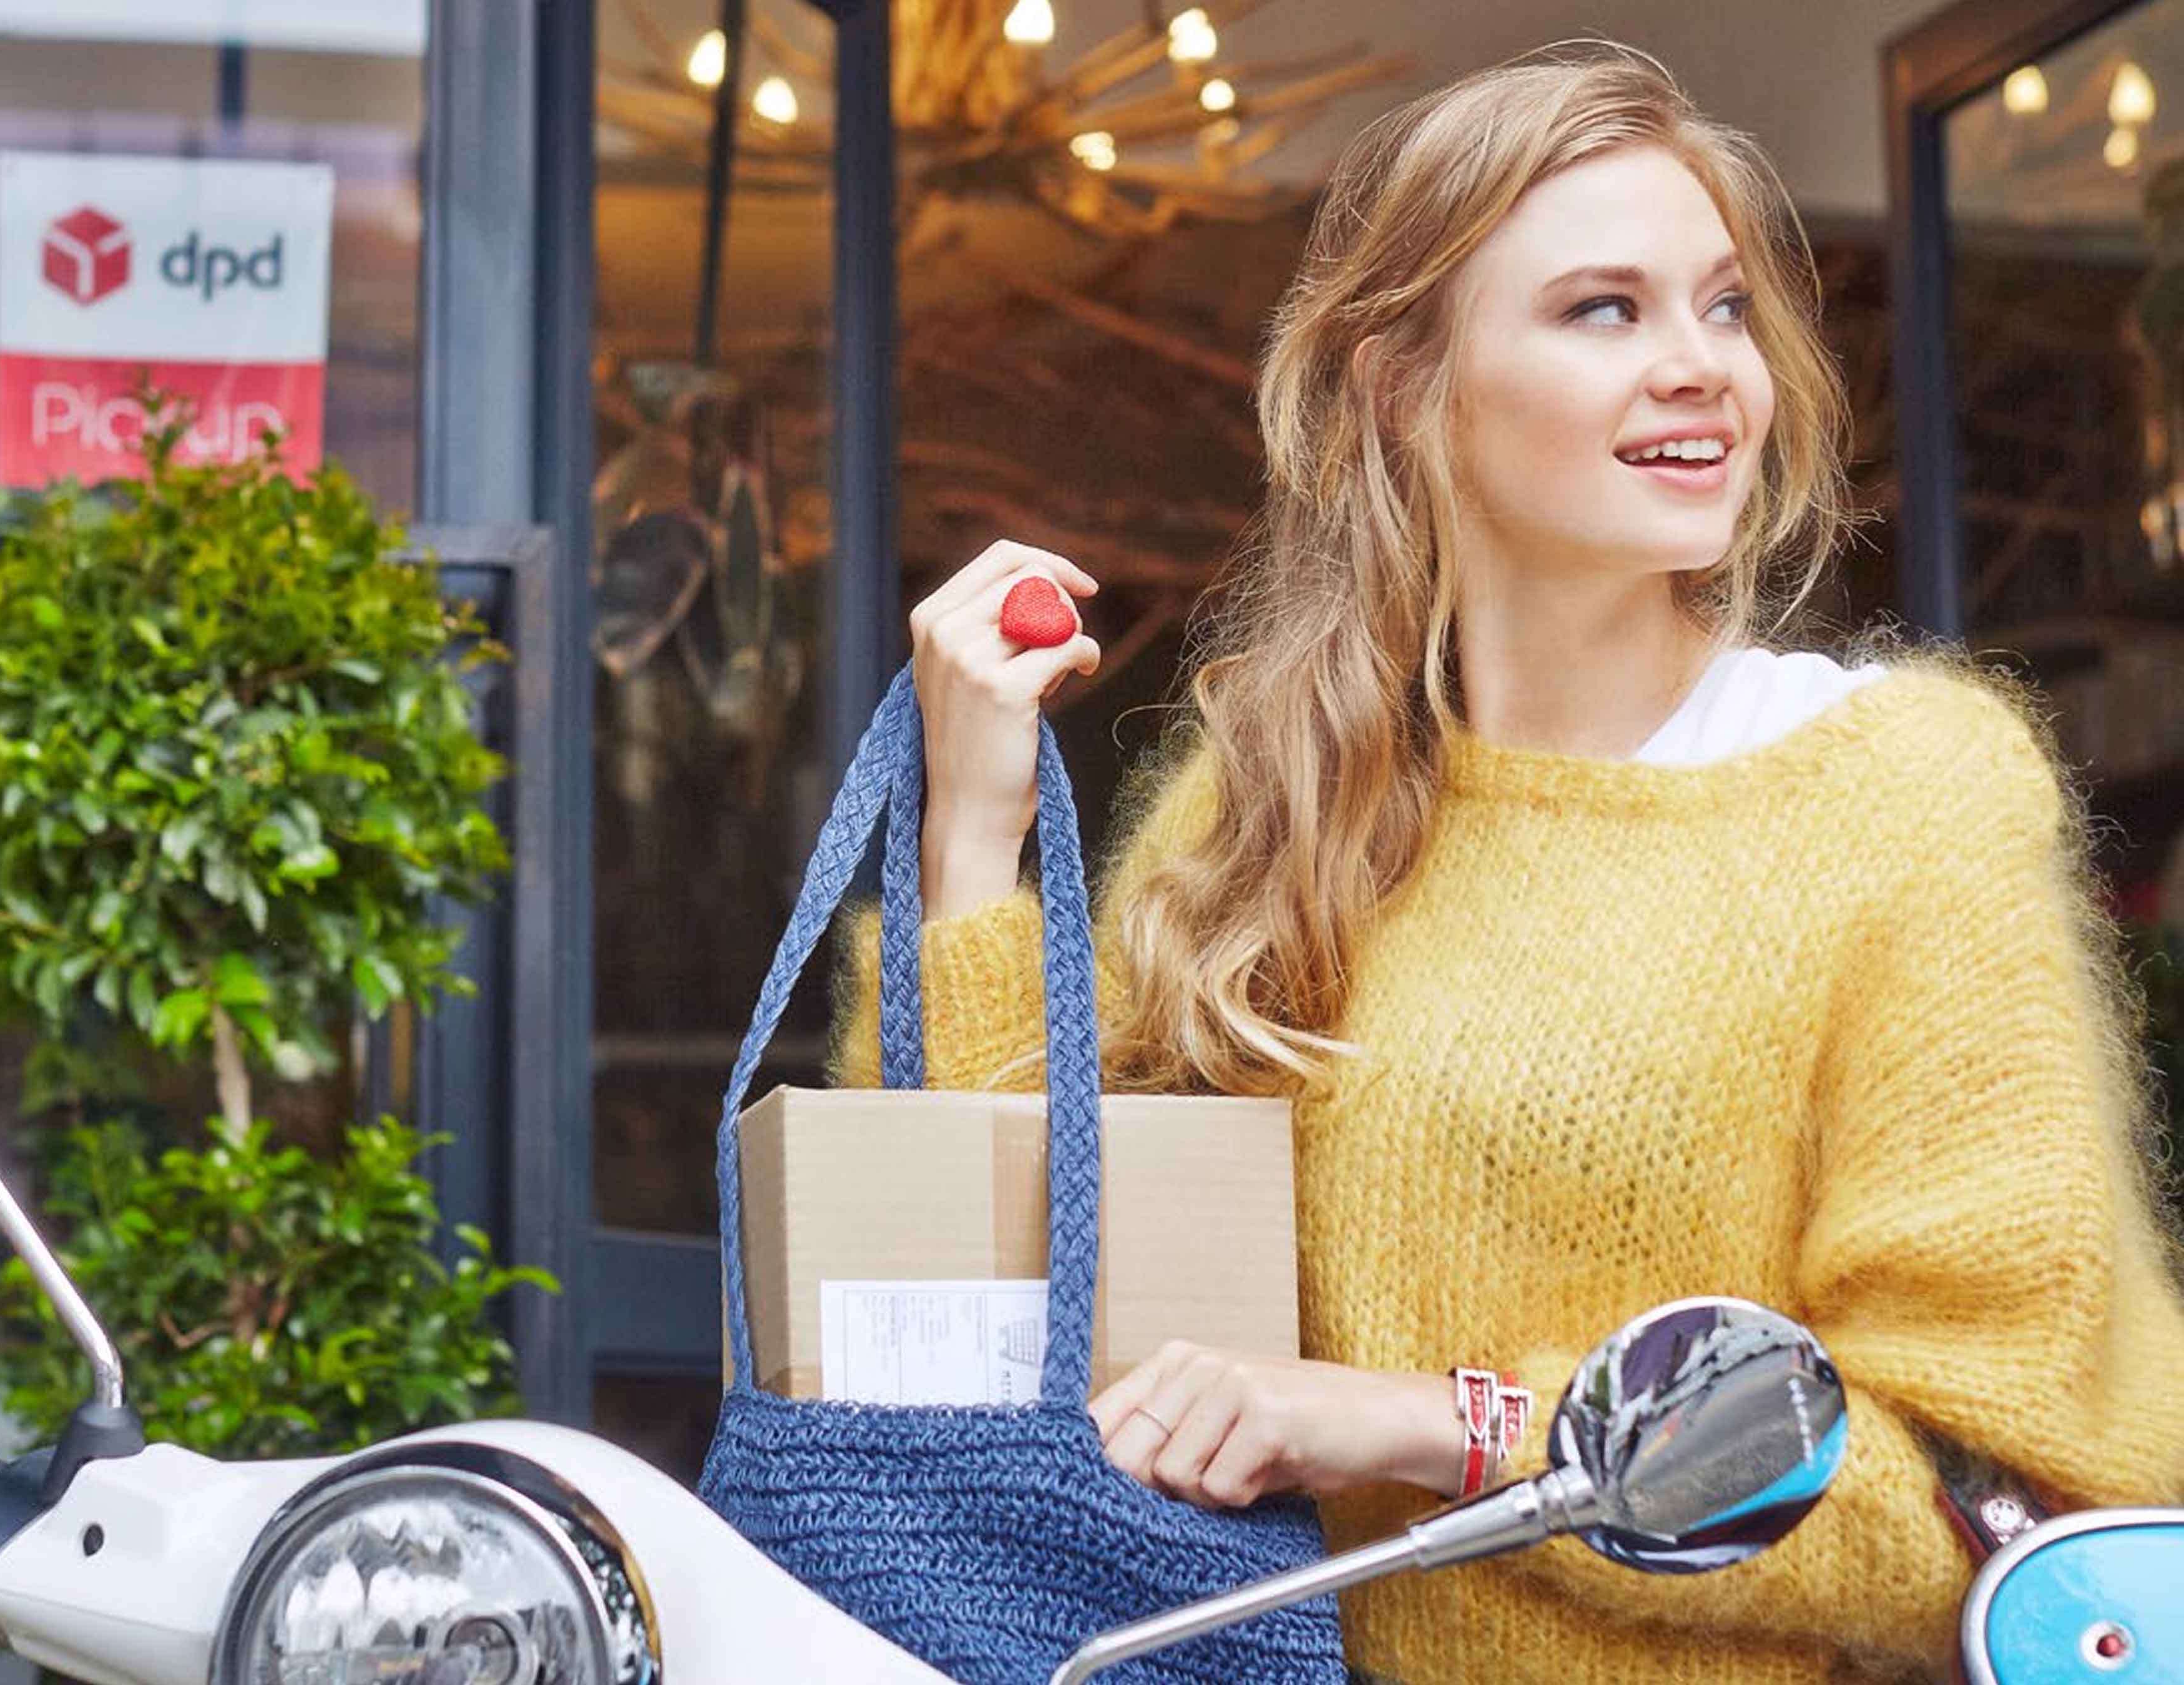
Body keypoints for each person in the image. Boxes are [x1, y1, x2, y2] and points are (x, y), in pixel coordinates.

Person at [828, 42, 2184, 1685]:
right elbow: (1005, 1311)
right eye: (1605, 310)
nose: (1702, 367)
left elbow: (1986, 1507)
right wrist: (973, 834)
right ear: (1409, 384)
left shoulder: (1899, 797)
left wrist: (1422, 1424)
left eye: (1726, 305)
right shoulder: (1282, 791)